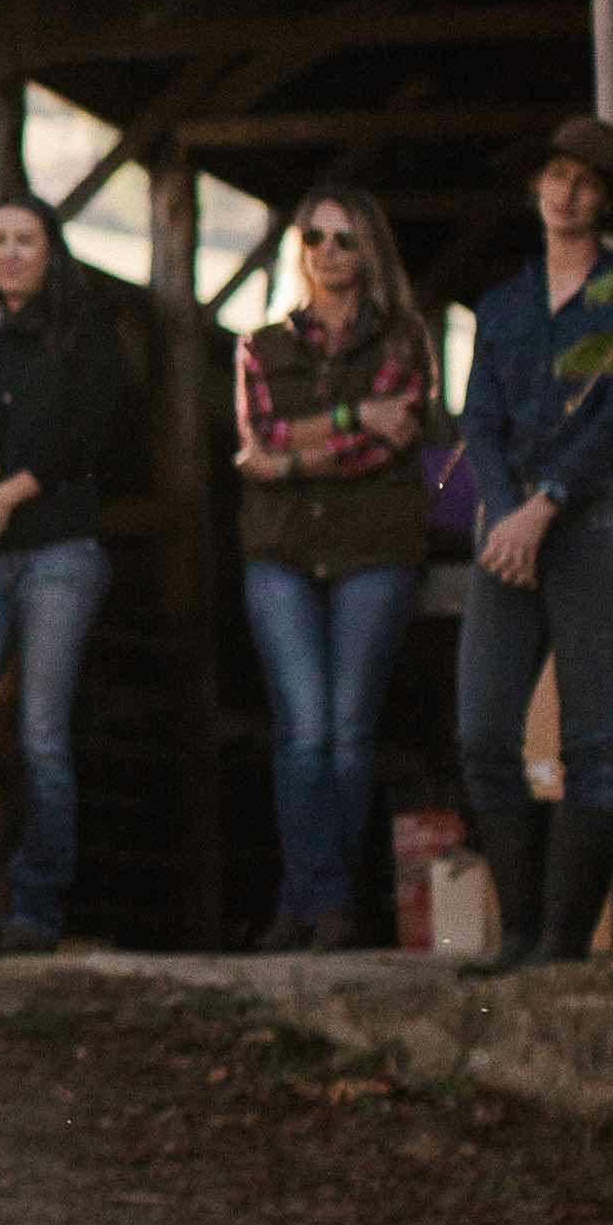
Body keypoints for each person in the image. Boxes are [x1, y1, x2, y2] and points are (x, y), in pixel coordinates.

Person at [454, 114, 613, 972]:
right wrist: (507, 508)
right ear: (535, 187)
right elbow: (476, 419)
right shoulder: (504, 305)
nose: (566, 192)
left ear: (609, 197)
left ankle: (561, 946)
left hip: (589, 529)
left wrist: (546, 504)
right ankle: (517, 935)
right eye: (554, 176)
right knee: (482, 735)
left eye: (585, 181)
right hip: (506, 533)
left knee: (592, 742)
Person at [230, 183, 437, 953]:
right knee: (302, 732)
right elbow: (261, 441)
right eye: (314, 237)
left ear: (370, 250)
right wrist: (347, 419)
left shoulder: (405, 338)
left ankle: (315, 903)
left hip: (373, 547)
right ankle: (322, 900)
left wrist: (295, 455)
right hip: (281, 550)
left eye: (345, 239)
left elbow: (393, 439)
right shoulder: (260, 344)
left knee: (348, 733)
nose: (328, 253)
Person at [0, 198, 121, 955]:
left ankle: (34, 908)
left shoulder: (85, 335)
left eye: (25, 240)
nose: (9, 253)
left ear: (51, 252)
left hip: (56, 550)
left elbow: (87, 438)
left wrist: (1, 501)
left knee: (41, 733)